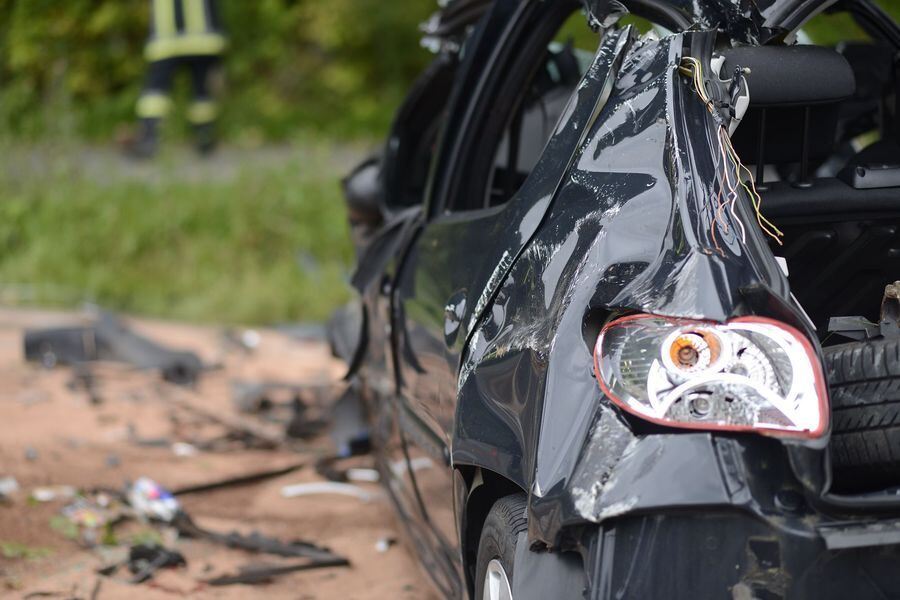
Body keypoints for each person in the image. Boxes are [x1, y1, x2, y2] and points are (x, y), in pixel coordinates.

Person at [129, 0, 227, 158]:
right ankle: (205, 136)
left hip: (166, 42)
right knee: (201, 93)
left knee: (155, 92)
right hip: (201, 41)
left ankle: (149, 138)